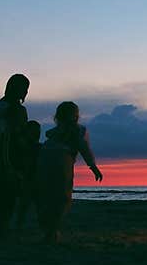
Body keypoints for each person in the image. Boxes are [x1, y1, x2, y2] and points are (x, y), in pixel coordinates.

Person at [35, 102, 102, 244]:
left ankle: (48, 229)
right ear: (76, 116)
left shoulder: (54, 132)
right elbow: (84, 148)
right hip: (62, 159)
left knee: (47, 194)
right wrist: (93, 167)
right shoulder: (79, 130)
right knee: (63, 196)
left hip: (44, 157)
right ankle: (52, 231)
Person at [0, 73, 30, 237]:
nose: (26, 93)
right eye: (24, 89)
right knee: (9, 190)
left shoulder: (1, 106)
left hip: (4, 150)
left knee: (5, 190)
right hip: (11, 152)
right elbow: (10, 134)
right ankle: (2, 226)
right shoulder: (14, 109)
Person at [16, 120, 42, 226]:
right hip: (28, 177)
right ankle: (20, 223)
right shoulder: (24, 146)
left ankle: (20, 223)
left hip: (33, 177)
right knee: (27, 203)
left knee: (32, 203)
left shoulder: (37, 147)